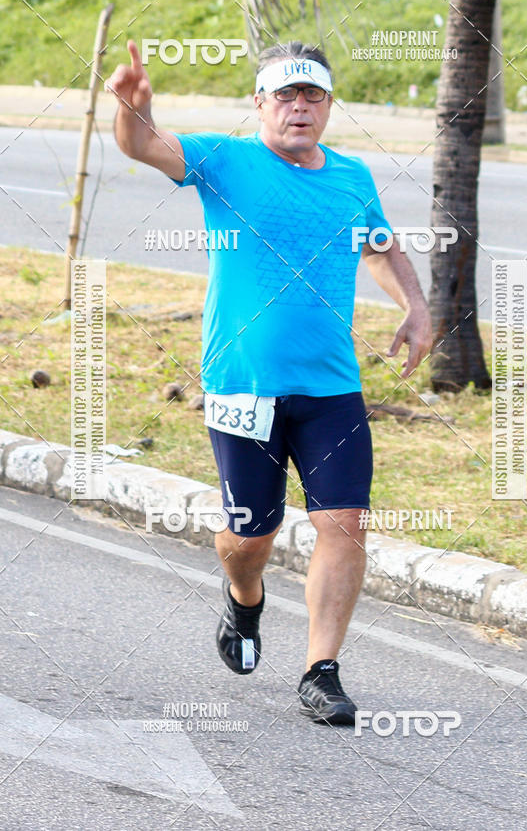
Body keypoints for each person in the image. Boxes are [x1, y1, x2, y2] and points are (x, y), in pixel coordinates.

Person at [107, 39, 432, 725]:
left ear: (329, 105)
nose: (299, 107)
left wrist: (416, 306)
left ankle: (321, 671)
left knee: (343, 523)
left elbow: (377, 245)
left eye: (312, 95)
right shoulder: (228, 161)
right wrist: (133, 109)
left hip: (331, 389)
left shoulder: (350, 176)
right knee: (251, 535)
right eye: (285, 94)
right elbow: (143, 147)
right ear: (260, 103)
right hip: (242, 386)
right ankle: (244, 598)